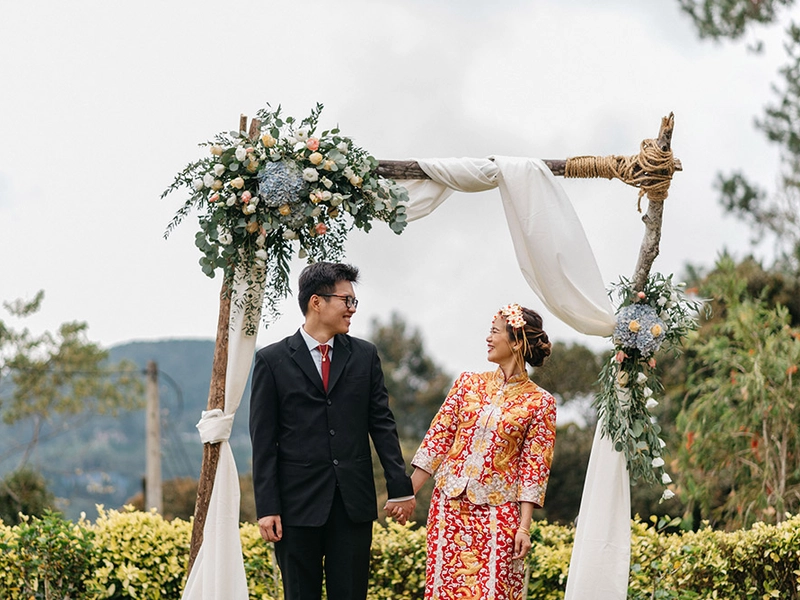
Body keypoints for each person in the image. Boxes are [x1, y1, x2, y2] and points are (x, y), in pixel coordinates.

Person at [249, 262, 415, 600]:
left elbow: (382, 424)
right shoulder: (271, 360)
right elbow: (263, 441)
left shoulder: (365, 356)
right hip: (295, 507)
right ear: (316, 302)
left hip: (352, 504)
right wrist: (267, 507)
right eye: (346, 300)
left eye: (354, 301)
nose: (352, 309)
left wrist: (401, 488)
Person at [402, 303, 556, 600]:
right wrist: (408, 494)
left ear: (516, 342)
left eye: (495, 331)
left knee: (492, 592)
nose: (488, 337)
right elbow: (438, 439)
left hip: (500, 515)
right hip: (449, 509)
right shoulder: (467, 383)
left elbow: (534, 469)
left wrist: (524, 528)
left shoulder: (541, 402)